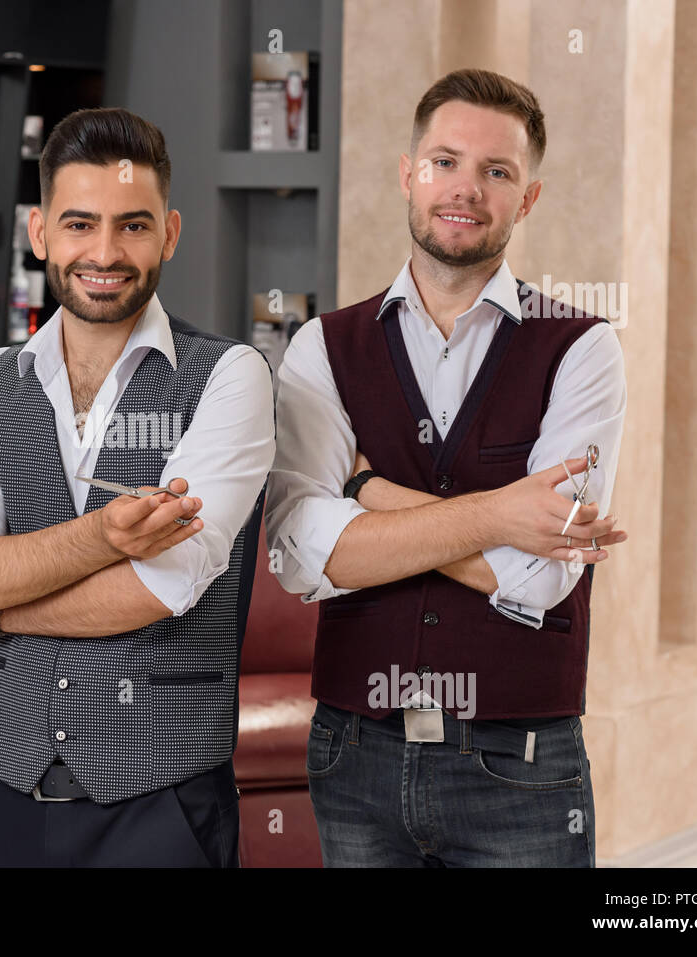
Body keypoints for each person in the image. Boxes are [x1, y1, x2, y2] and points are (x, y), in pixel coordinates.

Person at [265, 68, 628, 867]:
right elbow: (298, 555)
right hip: (353, 752)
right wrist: (499, 516)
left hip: (518, 765)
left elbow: (539, 576)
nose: (465, 189)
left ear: (527, 197)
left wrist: (368, 495)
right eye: (445, 162)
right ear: (408, 173)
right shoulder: (323, 348)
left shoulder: (583, 349)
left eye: (497, 171)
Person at [0, 107, 275, 867]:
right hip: (5, 797)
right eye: (79, 224)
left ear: (170, 234)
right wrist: (99, 538)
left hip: (162, 810)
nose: (105, 252)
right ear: (39, 231)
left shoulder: (229, 378)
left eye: (134, 226)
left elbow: (158, 588)